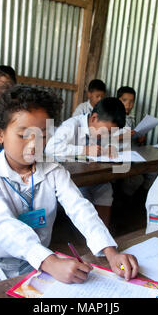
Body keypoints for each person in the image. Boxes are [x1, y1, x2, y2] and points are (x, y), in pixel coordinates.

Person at [0, 86, 138, 298]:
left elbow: (80, 207)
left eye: (43, 135)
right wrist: (49, 262)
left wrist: (110, 251)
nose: (33, 145)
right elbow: (3, 225)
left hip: (36, 265)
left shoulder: (54, 170)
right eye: (23, 135)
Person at [45, 97, 126, 226]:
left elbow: (99, 147)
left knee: (106, 189)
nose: (106, 136)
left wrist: (107, 148)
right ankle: (83, 236)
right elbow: (50, 148)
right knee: (82, 196)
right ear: (94, 118)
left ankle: (104, 231)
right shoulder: (72, 125)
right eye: (106, 132)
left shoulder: (98, 129)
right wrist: (84, 150)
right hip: (70, 177)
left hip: (88, 173)